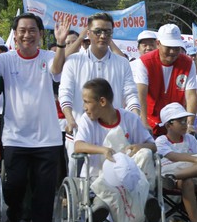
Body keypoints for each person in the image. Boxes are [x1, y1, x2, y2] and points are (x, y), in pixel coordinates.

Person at [0, 11, 70, 222]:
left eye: (32, 30)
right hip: (16, 137)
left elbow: (57, 69)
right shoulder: (8, 59)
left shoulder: (50, 55)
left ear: (40, 35)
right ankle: (14, 215)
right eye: (22, 30)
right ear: (16, 35)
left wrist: (61, 43)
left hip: (48, 138)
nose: (27, 35)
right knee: (14, 185)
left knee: (43, 193)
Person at [73, 78, 158, 222]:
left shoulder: (129, 118)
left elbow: (153, 146)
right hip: (98, 178)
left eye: (87, 102)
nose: (84, 107)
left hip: (129, 178)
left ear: (102, 102)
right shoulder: (87, 121)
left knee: (145, 153)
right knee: (110, 196)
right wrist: (102, 150)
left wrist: (139, 146)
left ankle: (148, 198)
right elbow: (78, 146)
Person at [59, 12, 140, 174]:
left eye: (107, 32)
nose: (103, 36)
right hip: (80, 133)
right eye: (98, 32)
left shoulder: (122, 63)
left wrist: (135, 117)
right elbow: (65, 93)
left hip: (115, 132)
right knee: (79, 181)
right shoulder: (73, 61)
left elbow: (131, 94)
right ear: (88, 33)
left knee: (118, 179)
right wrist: (70, 119)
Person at [155, 103, 197, 222]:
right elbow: (173, 156)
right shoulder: (161, 141)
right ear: (168, 125)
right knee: (188, 180)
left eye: (185, 120)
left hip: (185, 175)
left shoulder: (190, 139)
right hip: (170, 170)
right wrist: (196, 159)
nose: (184, 124)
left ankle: (175, 178)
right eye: (180, 121)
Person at [134, 24, 197, 136]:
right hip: (150, 120)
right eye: (168, 47)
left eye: (176, 47)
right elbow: (141, 94)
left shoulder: (188, 63)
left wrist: (190, 124)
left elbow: (191, 95)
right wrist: (143, 122)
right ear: (158, 44)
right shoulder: (144, 62)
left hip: (176, 124)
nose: (173, 52)